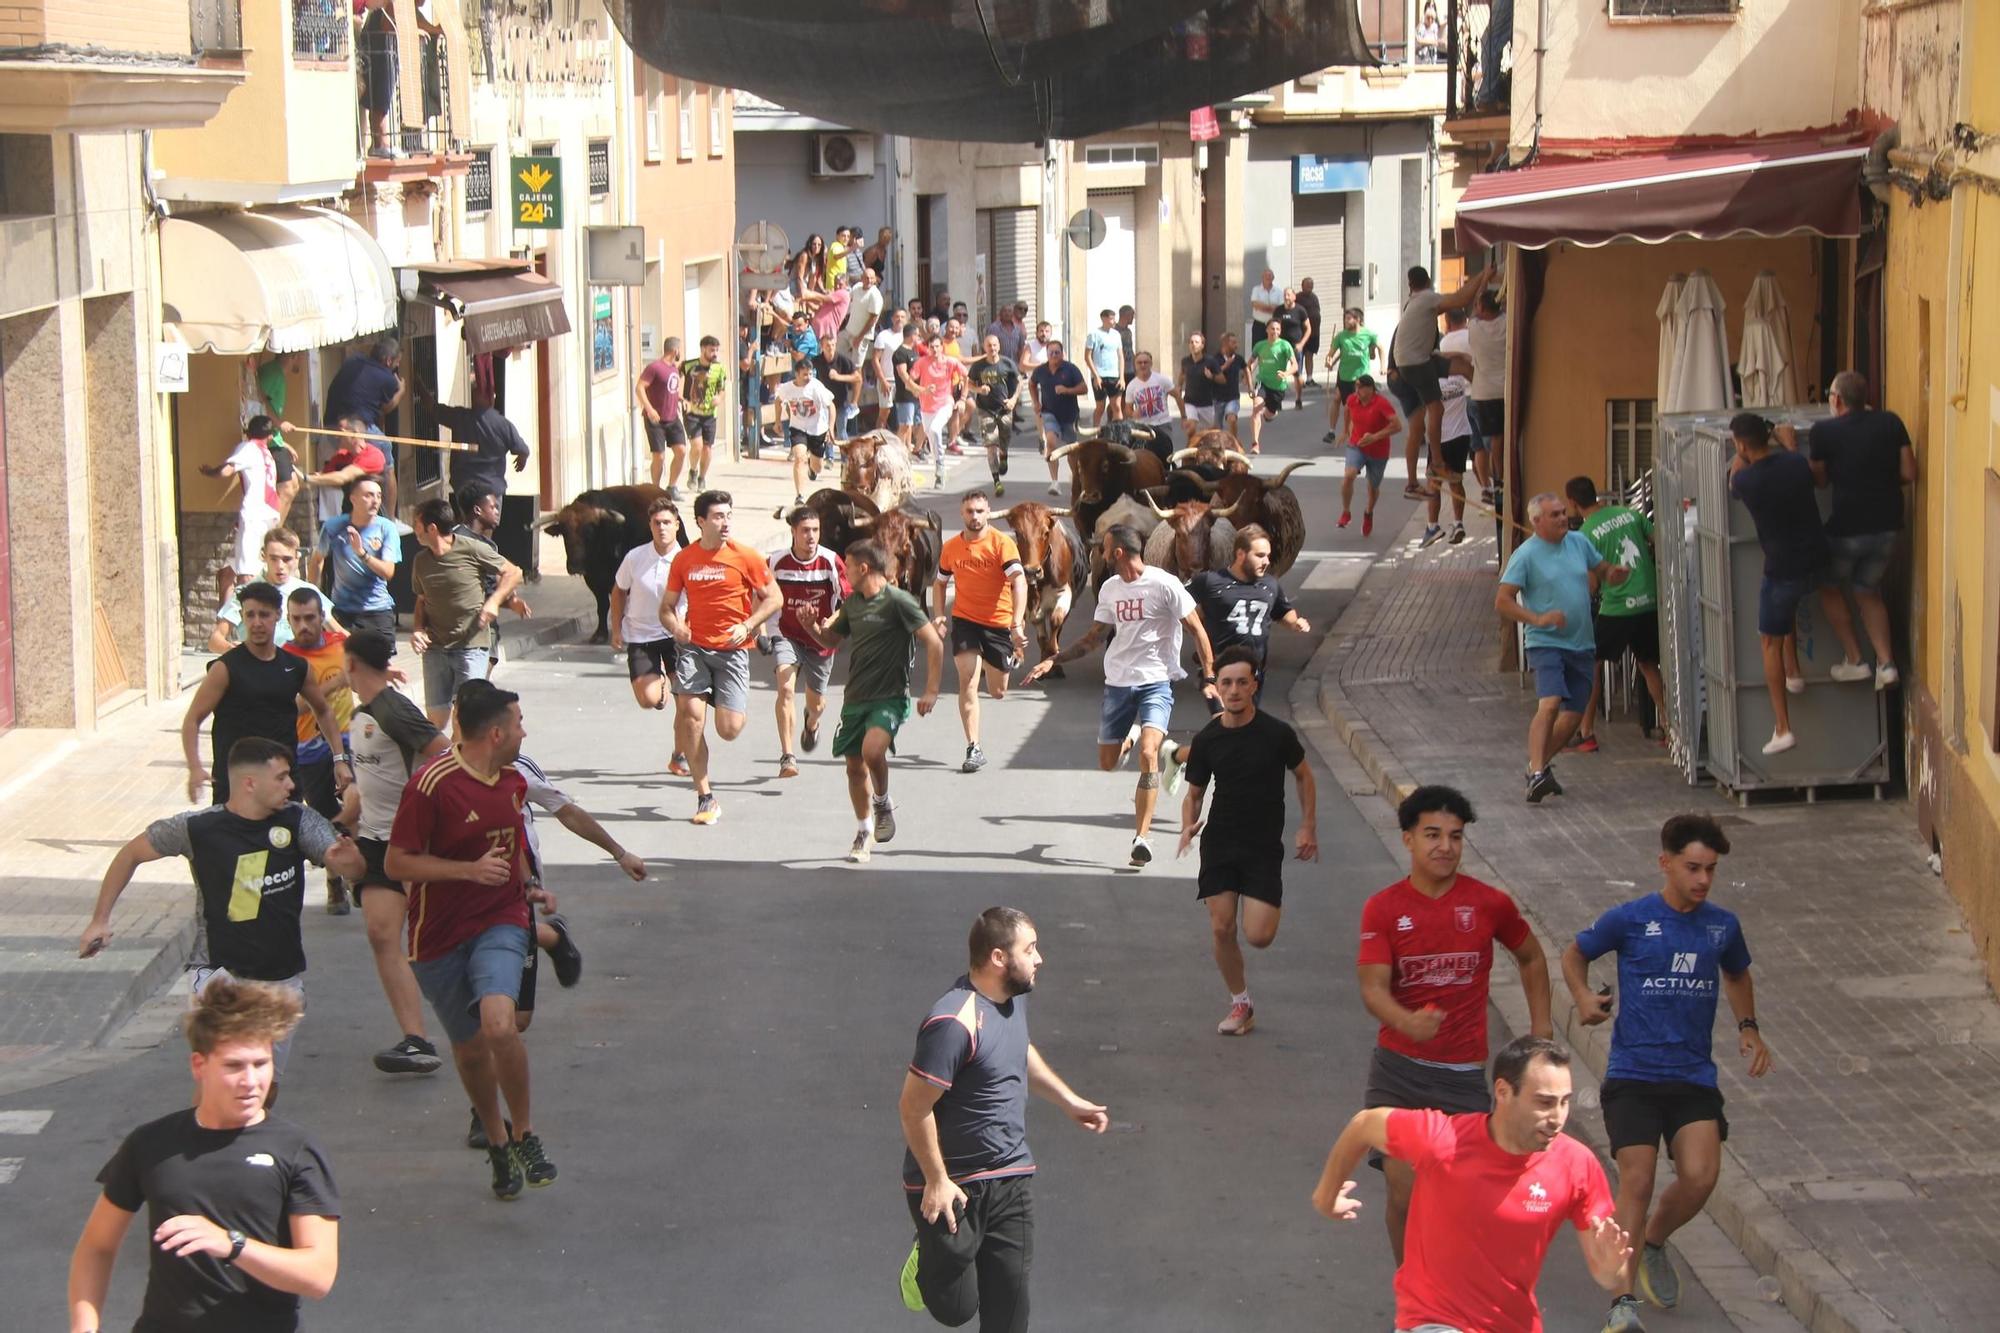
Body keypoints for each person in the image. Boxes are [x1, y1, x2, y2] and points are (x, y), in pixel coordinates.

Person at [1564, 814, 1772, 1332]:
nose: (1702, 880)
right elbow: (1575, 953)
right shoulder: (1631, 919)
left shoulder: (1722, 926)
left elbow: (1738, 971)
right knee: (1637, 1179)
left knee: (1701, 1176)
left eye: (1711, 870)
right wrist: (1584, 996)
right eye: (1693, 868)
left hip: (1692, 1079)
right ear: (1666, 863)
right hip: (1634, 1075)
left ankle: (1653, 1241)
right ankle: (1622, 1304)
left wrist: (1748, 1026)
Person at [67, 978, 340, 1333]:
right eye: (234, 1066)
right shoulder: (151, 1143)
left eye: (261, 1063)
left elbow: (318, 1276)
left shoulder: (296, 1150)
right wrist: (84, 1327)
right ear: (199, 1065)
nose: (251, 1081)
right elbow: (97, 1245)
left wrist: (232, 1244)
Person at [81, 735, 363, 1077]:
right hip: (219, 978)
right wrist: (100, 919)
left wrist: (349, 861)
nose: (291, 785)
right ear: (249, 783)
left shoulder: (298, 820)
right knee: (230, 1081)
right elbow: (131, 854)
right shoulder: (198, 828)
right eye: (281, 777)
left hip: (281, 980)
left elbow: (349, 866)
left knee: (262, 1089)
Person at [1355, 784, 1553, 1262]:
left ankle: (1448, 1292)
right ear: (1407, 839)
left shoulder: (1489, 904)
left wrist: (1541, 1034)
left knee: (1457, 1199)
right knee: (1405, 1193)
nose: (1445, 847)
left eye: (1456, 837)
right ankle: (1416, 1300)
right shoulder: (1384, 909)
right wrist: (1407, 1021)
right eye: (1432, 835)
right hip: (1399, 1072)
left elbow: (1530, 956)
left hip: (1463, 1078)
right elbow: (1373, 989)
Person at [1313, 1036, 1631, 1333]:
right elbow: (1365, 1124)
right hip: (1431, 1321)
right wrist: (1326, 1197)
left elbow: (1605, 1271)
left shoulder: (1577, 1165)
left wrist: (1612, 1273)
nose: (1558, 1117)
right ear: (1504, 1092)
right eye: (1545, 1103)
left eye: (1564, 1102)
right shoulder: (1443, 1140)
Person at [385, 680, 557, 1200]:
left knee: (500, 1025)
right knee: (471, 1050)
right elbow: (397, 863)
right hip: (437, 935)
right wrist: (466, 871)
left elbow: (509, 845)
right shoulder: (431, 785)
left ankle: (525, 1134)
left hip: (500, 919)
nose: (525, 731)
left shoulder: (512, 781)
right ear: (497, 732)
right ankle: (497, 1139)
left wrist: (528, 886)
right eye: (519, 723)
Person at [895, 907, 1109, 1325]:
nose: (1039, 958)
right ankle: (928, 1254)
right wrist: (937, 1180)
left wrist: (1068, 1100)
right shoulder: (953, 1023)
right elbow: (913, 1107)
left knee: (1009, 1314)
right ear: (998, 958)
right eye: (1029, 949)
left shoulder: (1010, 1002)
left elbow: (1018, 1051)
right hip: (954, 1185)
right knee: (956, 1310)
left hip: (1010, 1177)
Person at [1024, 525, 1217, 867]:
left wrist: (1211, 676)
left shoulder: (1165, 584)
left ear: (1116, 553)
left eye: (1103, 549)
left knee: (1148, 754)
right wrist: (1053, 659)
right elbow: (1094, 638)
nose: (1099, 554)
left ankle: (1141, 837)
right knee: (1108, 763)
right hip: (1118, 684)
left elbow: (1198, 630)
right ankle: (1129, 737)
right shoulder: (1111, 589)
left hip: (1156, 681)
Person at [1175, 645, 1317, 1035]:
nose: (1234, 690)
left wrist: (1308, 826)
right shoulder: (1208, 739)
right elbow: (1194, 794)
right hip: (1220, 842)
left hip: (1262, 847)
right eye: (1226, 683)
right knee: (1222, 928)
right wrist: (1188, 825)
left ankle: (1263, 906)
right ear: (1217, 687)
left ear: (1254, 685)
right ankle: (1241, 1004)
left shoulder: (1276, 734)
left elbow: (1304, 775)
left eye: (1241, 682)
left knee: (1259, 936)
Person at [335, 629, 452, 1077]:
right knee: (383, 934)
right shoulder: (363, 712)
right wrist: (351, 810)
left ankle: (538, 942)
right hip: (373, 841)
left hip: (410, 844)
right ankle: (416, 1040)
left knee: (437, 940)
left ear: (351, 665)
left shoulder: (392, 708)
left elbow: (442, 753)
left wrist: (420, 813)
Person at [801, 540, 942, 863]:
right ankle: (864, 830)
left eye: (848, 566)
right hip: (856, 697)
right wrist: (811, 627)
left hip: (889, 697)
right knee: (853, 768)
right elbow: (831, 640)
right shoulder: (853, 604)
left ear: (863, 568)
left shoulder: (898, 602)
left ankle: (881, 801)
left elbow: (933, 642)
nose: (845, 573)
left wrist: (931, 690)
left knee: (872, 751)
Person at [660, 490, 783, 826]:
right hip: (695, 649)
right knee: (690, 717)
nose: (725, 522)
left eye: (728, 515)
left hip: (732, 652)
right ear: (700, 521)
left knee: (729, 729)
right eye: (717, 516)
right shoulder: (684, 559)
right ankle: (705, 797)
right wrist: (676, 628)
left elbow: (775, 598)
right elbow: (667, 609)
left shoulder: (746, 557)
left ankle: (720, 696)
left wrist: (749, 624)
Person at [1497, 494, 1629, 802]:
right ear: (1537, 522)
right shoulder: (1526, 555)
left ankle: (1536, 768)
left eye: (1563, 513)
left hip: (1581, 641)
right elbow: (1502, 600)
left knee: (1573, 715)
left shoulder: (1578, 542)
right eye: (1554, 515)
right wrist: (1537, 618)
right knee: (1551, 702)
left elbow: (1601, 567)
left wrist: (1612, 573)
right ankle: (1540, 771)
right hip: (1546, 642)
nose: (1562, 519)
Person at [180, 582, 349, 807]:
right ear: (242, 616)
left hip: (284, 782)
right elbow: (192, 719)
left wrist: (339, 759)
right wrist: (194, 767)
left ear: (278, 615)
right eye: (250, 615)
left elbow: (323, 710)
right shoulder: (225, 668)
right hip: (236, 785)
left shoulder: (296, 666)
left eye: (264, 614)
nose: (257, 622)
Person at [1726, 413, 1829, 756]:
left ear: (1741, 443)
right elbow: (1799, 465)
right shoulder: (1795, 463)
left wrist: (1742, 452)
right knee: (1819, 596)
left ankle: (1783, 727)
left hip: (1781, 567)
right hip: (1817, 557)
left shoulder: (1746, 482)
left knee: (1769, 639)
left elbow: (1734, 477)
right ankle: (1798, 671)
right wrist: (1788, 442)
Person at [1808, 370, 1916, 690]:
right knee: (1867, 590)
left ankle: (1855, 659)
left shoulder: (1823, 432)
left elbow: (1820, 480)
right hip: (1889, 528)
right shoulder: (1891, 422)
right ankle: (1887, 665)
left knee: (1827, 584)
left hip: (1848, 529)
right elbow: (1910, 472)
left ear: (1837, 399)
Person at [1566, 476, 1668, 751]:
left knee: (1592, 664)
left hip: (1619, 607)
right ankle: (1671, 727)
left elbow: (1593, 584)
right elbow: (1657, 538)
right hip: (1648, 599)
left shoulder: (1585, 535)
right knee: (1649, 665)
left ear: (1573, 504)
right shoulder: (1629, 513)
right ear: (1595, 494)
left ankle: (1586, 733)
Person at [932, 492, 1028, 776]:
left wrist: (1017, 623)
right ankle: (974, 747)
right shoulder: (951, 548)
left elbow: (1019, 583)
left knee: (997, 691)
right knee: (967, 680)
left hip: (998, 624)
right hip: (965, 621)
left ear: (988, 513)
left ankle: (1002, 660)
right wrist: (938, 614)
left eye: (979, 511)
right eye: (969, 512)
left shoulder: (1002, 544)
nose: (974, 517)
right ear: (962, 514)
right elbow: (939, 583)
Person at [409, 497, 522, 727]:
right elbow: (421, 601)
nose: (414, 530)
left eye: (417, 525)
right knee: (437, 721)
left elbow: (514, 572)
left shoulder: (471, 549)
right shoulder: (421, 561)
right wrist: (418, 630)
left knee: (469, 717)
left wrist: (494, 602)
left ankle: (465, 758)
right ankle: (451, 756)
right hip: (435, 649)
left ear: (432, 528)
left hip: (470, 647)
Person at [281, 588, 359, 915]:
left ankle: (358, 872)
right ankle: (334, 878)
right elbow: (294, 708)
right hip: (307, 748)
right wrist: (334, 684)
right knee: (326, 812)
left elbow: (358, 676)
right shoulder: (284, 659)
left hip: (347, 740)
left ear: (321, 617)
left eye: (310, 618)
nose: (304, 626)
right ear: (288, 620)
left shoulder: (339, 646)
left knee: (357, 806)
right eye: (296, 619)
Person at [1390, 267, 1491, 501]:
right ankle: (1436, 463)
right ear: (1428, 282)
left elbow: (1465, 299)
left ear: (1410, 285)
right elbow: (1462, 298)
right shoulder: (1427, 299)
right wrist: (1482, 275)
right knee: (1436, 408)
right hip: (1416, 363)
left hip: (1420, 358)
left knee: (1465, 369)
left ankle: (1487, 397)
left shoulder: (1414, 301)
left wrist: (1483, 280)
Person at [763, 505, 849, 780]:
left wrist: (830, 621)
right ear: (793, 532)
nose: (811, 536)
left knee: (817, 703)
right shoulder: (776, 562)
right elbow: (760, 596)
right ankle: (788, 756)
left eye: (815, 530)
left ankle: (811, 723)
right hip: (786, 632)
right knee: (785, 688)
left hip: (820, 638)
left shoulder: (831, 561)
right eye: (805, 531)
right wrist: (761, 631)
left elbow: (848, 601)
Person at [1189, 526, 1311, 713]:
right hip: (1221, 670)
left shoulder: (1270, 585)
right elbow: (1178, 602)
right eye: (1260, 555)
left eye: (1268, 556)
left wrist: (1295, 622)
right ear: (1240, 554)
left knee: (1245, 727)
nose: (1266, 562)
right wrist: (1195, 625)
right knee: (1225, 723)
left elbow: (1283, 612)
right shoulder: (1210, 581)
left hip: (1253, 673)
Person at [198, 415, 282, 611]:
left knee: (247, 574)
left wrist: (209, 472)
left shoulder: (248, 448)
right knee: (229, 571)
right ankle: (223, 621)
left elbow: (227, 471)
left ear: (248, 432)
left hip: (254, 515)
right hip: (269, 513)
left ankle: (250, 622)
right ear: (269, 437)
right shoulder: (266, 454)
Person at [452, 480, 533, 676]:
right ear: (478, 510)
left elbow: (488, 589)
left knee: (474, 691)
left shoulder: (488, 546)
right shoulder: (456, 540)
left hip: (485, 628)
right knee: (471, 692)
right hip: (464, 629)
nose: (498, 511)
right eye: (493, 507)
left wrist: (510, 601)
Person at [208, 528, 333, 653]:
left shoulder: (308, 591)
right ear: (263, 556)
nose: (280, 566)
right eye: (274, 558)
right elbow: (215, 640)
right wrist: (233, 650)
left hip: (298, 666)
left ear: (297, 557)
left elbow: (338, 632)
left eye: (286, 559)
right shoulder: (246, 593)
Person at [324, 336, 405, 512]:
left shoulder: (353, 361)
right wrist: (401, 391)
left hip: (330, 428)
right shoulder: (388, 379)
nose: (396, 367)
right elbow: (386, 407)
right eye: (397, 363)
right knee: (386, 461)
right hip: (358, 431)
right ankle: (390, 518)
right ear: (388, 360)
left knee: (352, 470)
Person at [313, 475, 400, 641]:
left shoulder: (387, 528)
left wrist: (362, 553)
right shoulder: (334, 526)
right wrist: (314, 593)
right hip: (342, 612)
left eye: (379, 495)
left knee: (378, 666)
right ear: (353, 499)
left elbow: (388, 572)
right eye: (368, 495)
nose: (375, 500)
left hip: (378, 611)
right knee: (342, 664)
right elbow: (317, 559)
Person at [426, 382, 528, 501]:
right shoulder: (503, 424)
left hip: (464, 489)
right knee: (489, 519)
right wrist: (522, 459)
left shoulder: (459, 417)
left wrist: (418, 384)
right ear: (490, 397)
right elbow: (522, 450)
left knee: (468, 519)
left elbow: (432, 408)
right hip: (491, 490)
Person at [1338, 375, 1400, 537]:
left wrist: (1375, 437)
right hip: (1357, 445)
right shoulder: (1352, 400)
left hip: (1379, 451)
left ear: (1371, 389)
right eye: (1356, 386)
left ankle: (1368, 512)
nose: (1357, 390)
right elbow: (1347, 410)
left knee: (1373, 488)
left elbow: (1397, 426)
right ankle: (1346, 512)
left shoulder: (1381, 403)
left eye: (1360, 387)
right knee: (1348, 475)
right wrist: (1345, 431)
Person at [1419, 363, 1473, 548]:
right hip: (1461, 435)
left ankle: (1433, 527)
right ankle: (1458, 523)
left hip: (1439, 439)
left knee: (1433, 484)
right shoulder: (1459, 377)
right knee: (1456, 482)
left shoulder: (1429, 383)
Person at [297, 416, 389, 525]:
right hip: (349, 514)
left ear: (355, 434)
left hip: (373, 517)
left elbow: (342, 477)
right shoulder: (341, 456)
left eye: (341, 431)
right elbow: (325, 476)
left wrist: (306, 478)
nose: (336, 436)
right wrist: (295, 474)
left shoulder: (374, 455)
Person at [774, 359, 837, 506]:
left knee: (818, 467)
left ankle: (812, 469)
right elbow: (778, 401)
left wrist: (830, 427)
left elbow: (831, 406)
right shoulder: (787, 388)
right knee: (799, 458)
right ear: (796, 374)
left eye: (810, 373)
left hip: (817, 429)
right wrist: (777, 421)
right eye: (804, 374)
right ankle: (800, 496)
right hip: (798, 428)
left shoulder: (816, 387)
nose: (808, 377)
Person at [967, 333, 1025, 496]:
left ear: (998, 346)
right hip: (985, 410)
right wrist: (979, 389)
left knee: (1004, 441)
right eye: (988, 345)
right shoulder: (978, 366)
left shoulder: (1007, 363)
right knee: (991, 445)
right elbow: (969, 383)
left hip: (1005, 408)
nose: (992, 348)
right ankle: (996, 481)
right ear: (984, 348)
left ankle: (1004, 455)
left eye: (994, 345)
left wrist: (1013, 400)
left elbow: (1019, 381)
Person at [1030, 338, 1087, 496]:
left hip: (1069, 415)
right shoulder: (1040, 370)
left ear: (1062, 354)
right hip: (1049, 412)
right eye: (1051, 352)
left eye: (1057, 352)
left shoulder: (1070, 369)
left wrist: (1067, 390)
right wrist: (1035, 401)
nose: (1054, 355)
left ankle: (1077, 479)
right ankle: (1054, 482)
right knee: (1051, 442)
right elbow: (1032, 383)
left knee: (1072, 450)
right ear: (1047, 354)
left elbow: (1084, 388)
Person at [1468, 290, 1508, 503]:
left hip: (1483, 393)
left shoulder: (1474, 328)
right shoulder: (1507, 323)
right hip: (1505, 390)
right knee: (1501, 440)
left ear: (1481, 308)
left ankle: (1493, 483)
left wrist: (1484, 278)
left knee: (1485, 444)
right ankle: (1500, 480)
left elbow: (1474, 307)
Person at [636, 337, 688, 496]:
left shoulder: (674, 369)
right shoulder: (654, 368)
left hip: (672, 416)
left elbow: (669, 389)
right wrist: (649, 409)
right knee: (659, 456)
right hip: (655, 419)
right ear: (675, 350)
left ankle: (672, 486)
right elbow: (639, 387)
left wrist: (680, 399)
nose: (680, 352)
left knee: (681, 451)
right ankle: (655, 489)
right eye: (679, 349)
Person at [1325, 308, 1382, 446]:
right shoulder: (1341, 336)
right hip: (1343, 374)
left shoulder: (1368, 334)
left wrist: (1383, 366)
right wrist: (1329, 360)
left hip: (1360, 377)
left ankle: (1354, 435)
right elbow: (1331, 353)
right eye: (1345, 318)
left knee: (1352, 407)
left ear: (1358, 320)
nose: (1346, 321)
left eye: (1349, 318)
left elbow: (1380, 348)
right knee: (1337, 399)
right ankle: (1332, 431)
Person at [682, 335, 729, 493]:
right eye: (711, 350)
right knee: (697, 445)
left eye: (716, 350)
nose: (714, 353)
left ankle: (702, 477)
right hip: (692, 412)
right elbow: (673, 379)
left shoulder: (719, 368)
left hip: (710, 413)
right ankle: (693, 471)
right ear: (703, 349)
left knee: (707, 448)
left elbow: (723, 389)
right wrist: (681, 400)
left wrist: (719, 398)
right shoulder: (689, 365)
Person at [1249, 318, 1298, 454]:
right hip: (1262, 382)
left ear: (1280, 331)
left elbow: (1295, 365)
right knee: (1255, 409)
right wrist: (1248, 375)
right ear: (1267, 330)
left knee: (1270, 414)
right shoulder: (1260, 345)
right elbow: (1251, 363)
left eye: (1277, 329)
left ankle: (1269, 413)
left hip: (1278, 387)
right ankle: (1255, 443)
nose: (1274, 331)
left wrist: (1286, 373)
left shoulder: (1285, 345)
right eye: (1272, 328)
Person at [1123, 350, 1182, 456]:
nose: (1143, 365)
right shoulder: (1131, 386)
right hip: (1143, 427)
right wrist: (1132, 414)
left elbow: (1177, 395)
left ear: (1151, 364)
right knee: (1145, 456)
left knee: (1166, 454)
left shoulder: (1162, 379)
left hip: (1163, 424)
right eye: (1139, 362)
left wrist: (1184, 416)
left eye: (1146, 362)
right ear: (1135, 365)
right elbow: (1127, 409)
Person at [1084, 309, 1126, 427]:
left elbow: (1120, 356)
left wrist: (1121, 377)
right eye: (1111, 319)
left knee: (1117, 406)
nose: (1114, 321)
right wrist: (1096, 376)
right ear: (1104, 319)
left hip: (1114, 375)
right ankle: (1096, 433)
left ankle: (1118, 433)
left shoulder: (1116, 335)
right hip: (1100, 375)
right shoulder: (1094, 334)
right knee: (1100, 407)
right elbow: (1087, 357)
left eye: (1114, 318)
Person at [1274, 288, 1312, 409]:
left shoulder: (1300, 310)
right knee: (1279, 372)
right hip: (1280, 346)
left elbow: (1308, 328)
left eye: (1289, 295)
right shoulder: (1278, 310)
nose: (1286, 297)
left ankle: (1298, 398)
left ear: (1294, 297)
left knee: (1297, 374)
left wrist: (1301, 344)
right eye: (1285, 295)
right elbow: (1274, 327)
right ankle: (1277, 399)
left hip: (1295, 346)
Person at [1204, 331, 1245, 435]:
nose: (1236, 345)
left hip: (1233, 397)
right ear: (1225, 344)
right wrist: (1226, 365)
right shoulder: (1214, 359)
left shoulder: (1238, 358)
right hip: (1217, 398)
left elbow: (1246, 369)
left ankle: (1234, 442)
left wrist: (1249, 384)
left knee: (1232, 418)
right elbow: (1211, 374)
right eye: (1233, 343)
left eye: (1236, 342)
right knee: (1216, 428)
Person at [891, 323, 925, 451]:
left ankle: (910, 448)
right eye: (917, 335)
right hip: (905, 395)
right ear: (911, 335)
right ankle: (897, 450)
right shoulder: (900, 352)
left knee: (915, 424)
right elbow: (903, 374)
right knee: (904, 425)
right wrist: (914, 388)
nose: (918, 337)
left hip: (916, 395)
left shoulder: (914, 351)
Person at [1177, 331, 1216, 430]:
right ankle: (1190, 445)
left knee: (1208, 433)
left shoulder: (1210, 361)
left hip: (1206, 403)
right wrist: (1179, 386)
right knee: (1191, 428)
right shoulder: (1185, 361)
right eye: (1191, 342)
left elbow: (1222, 379)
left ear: (1202, 345)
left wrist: (1212, 376)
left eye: (1196, 342)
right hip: (1189, 402)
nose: (1193, 344)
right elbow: (1182, 374)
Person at [1296, 276, 1324, 389]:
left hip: (1314, 333)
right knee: (1299, 356)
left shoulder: (1314, 297)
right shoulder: (1298, 297)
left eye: (1311, 285)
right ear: (1302, 286)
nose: (1309, 287)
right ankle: (1299, 379)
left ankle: (1309, 378)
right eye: (1307, 285)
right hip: (1302, 333)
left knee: (1309, 355)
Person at [1248, 267, 1280, 341]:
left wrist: (1262, 306)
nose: (1268, 278)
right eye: (1266, 276)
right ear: (1262, 277)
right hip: (1259, 325)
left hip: (1273, 326)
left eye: (1270, 276)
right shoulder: (1256, 290)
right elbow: (1255, 305)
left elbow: (1279, 309)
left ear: (1273, 278)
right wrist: (1271, 308)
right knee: (1258, 349)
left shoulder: (1279, 292)